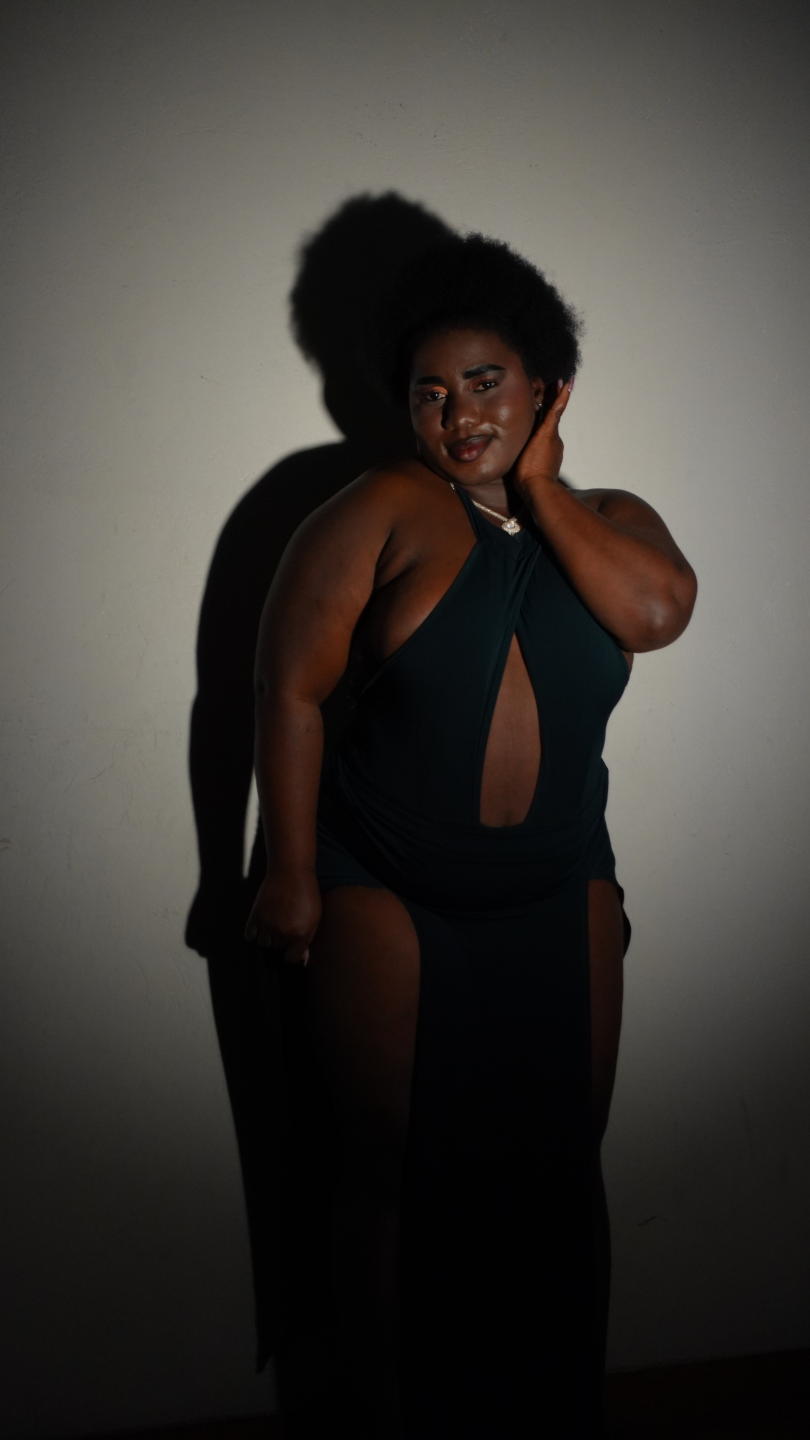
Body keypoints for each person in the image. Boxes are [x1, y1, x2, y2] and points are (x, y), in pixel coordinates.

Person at [245, 234, 697, 1438]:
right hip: (387, 887)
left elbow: (657, 614)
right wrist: (291, 872)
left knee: (562, 1164)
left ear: (548, 386)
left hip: (560, 887)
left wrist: (540, 490)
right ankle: (376, 1419)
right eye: (430, 392)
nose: (457, 415)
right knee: (383, 1170)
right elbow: (288, 689)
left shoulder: (610, 519)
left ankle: (555, 1412)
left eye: (486, 383)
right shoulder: (380, 508)